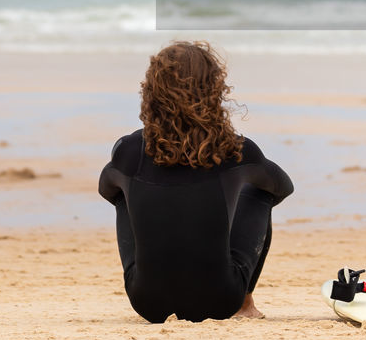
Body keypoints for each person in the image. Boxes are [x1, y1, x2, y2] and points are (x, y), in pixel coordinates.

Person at [98, 41, 293, 323]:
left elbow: (105, 189)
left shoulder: (129, 151)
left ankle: (160, 275)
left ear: (151, 91)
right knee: (258, 190)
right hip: (221, 300)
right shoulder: (235, 150)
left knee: (122, 192)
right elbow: (282, 187)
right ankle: (245, 303)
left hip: (147, 302)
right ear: (214, 89)